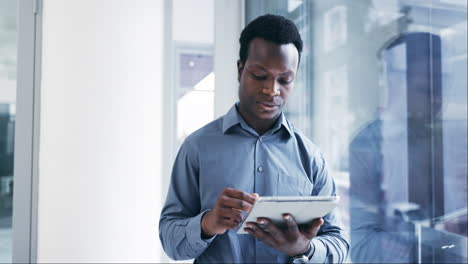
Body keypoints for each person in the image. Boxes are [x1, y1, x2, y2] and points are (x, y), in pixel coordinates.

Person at [159, 14, 349, 263]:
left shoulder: (311, 157)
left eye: (285, 80)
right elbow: (170, 241)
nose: (272, 90)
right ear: (240, 70)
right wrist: (208, 223)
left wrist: (305, 248)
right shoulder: (197, 148)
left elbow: (339, 244)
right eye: (260, 76)